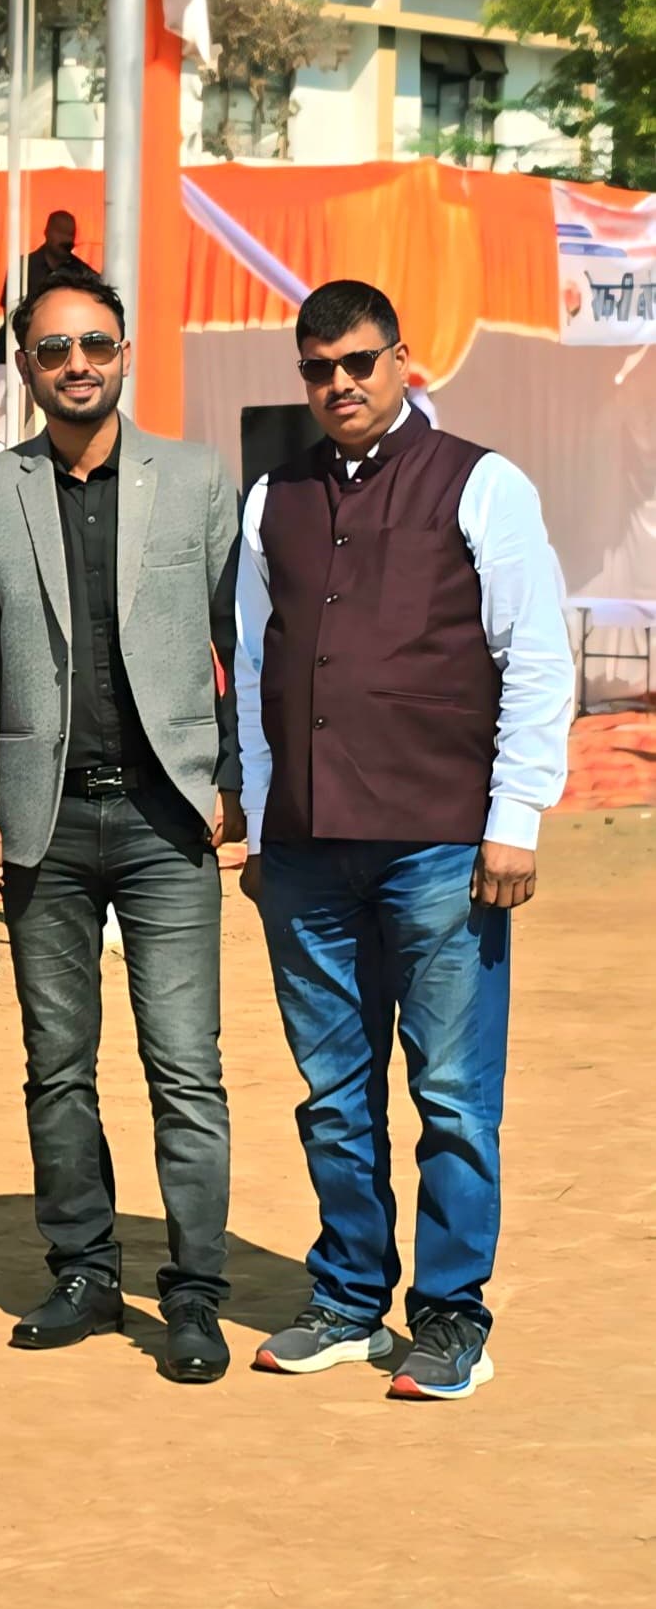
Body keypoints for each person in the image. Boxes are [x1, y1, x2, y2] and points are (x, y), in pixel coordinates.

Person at [236, 277, 574, 1402]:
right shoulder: (271, 495)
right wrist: (254, 812)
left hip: (440, 841)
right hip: (303, 849)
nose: (338, 385)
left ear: (402, 361)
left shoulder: (479, 482)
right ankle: (345, 1297)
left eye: (358, 363)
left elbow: (534, 655)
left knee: (450, 1097)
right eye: (318, 369)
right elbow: (255, 664)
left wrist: (514, 818)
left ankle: (448, 1316)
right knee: (333, 1089)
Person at [0, 265, 244, 1381]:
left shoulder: (197, 478)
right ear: (26, 364)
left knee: (186, 1068)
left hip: (171, 820)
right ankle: (82, 1267)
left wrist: (238, 781)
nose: (76, 363)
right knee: (56, 1063)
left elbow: (238, 644)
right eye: (54, 347)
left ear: (124, 356)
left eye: (96, 345)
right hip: (43, 821)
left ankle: (197, 1291)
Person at [0, 210, 98, 448]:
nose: (67, 240)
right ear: (47, 232)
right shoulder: (23, 267)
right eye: (61, 233)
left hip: (61, 358)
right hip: (13, 353)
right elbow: (11, 315)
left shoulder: (81, 274)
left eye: (71, 234)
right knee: (9, 422)